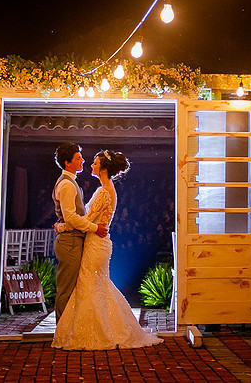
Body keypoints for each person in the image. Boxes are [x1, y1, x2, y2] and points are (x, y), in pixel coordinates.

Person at [52, 150, 163, 350]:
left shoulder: (104, 192)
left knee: (89, 286)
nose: (90, 165)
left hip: (96, 242)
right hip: (99, 242)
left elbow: (85, 220)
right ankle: (105, 327)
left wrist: (61, 226)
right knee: (98, 286)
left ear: (103, 168)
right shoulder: (107, 189)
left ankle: (95, 331)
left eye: (94, 163)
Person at [52, 142, 107, 321]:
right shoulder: (67, 185)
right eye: (78, 158)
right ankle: (62, 331)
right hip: (69, 242)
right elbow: (71, 218)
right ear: (67, 163)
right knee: (66, 289)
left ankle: (68, 328)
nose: (83, 160)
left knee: (71, 288)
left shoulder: (70, 183)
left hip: (73, 239)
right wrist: (94, 228)